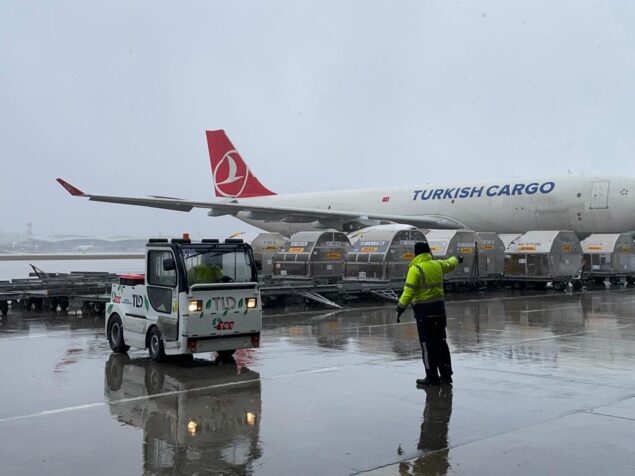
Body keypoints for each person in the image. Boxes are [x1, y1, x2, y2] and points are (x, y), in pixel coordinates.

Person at [396, 242, 463, 387]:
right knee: (441, 342)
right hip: (439, 311)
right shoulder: (437, 265)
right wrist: (457, 259)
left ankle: (431, 377)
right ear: (428, 252)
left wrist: (400, 307)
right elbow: (450, 263)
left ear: (415, 254)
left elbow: (408, 291)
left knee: (427, 345)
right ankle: (446, 376)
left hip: (424, 313)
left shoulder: (416, 269)